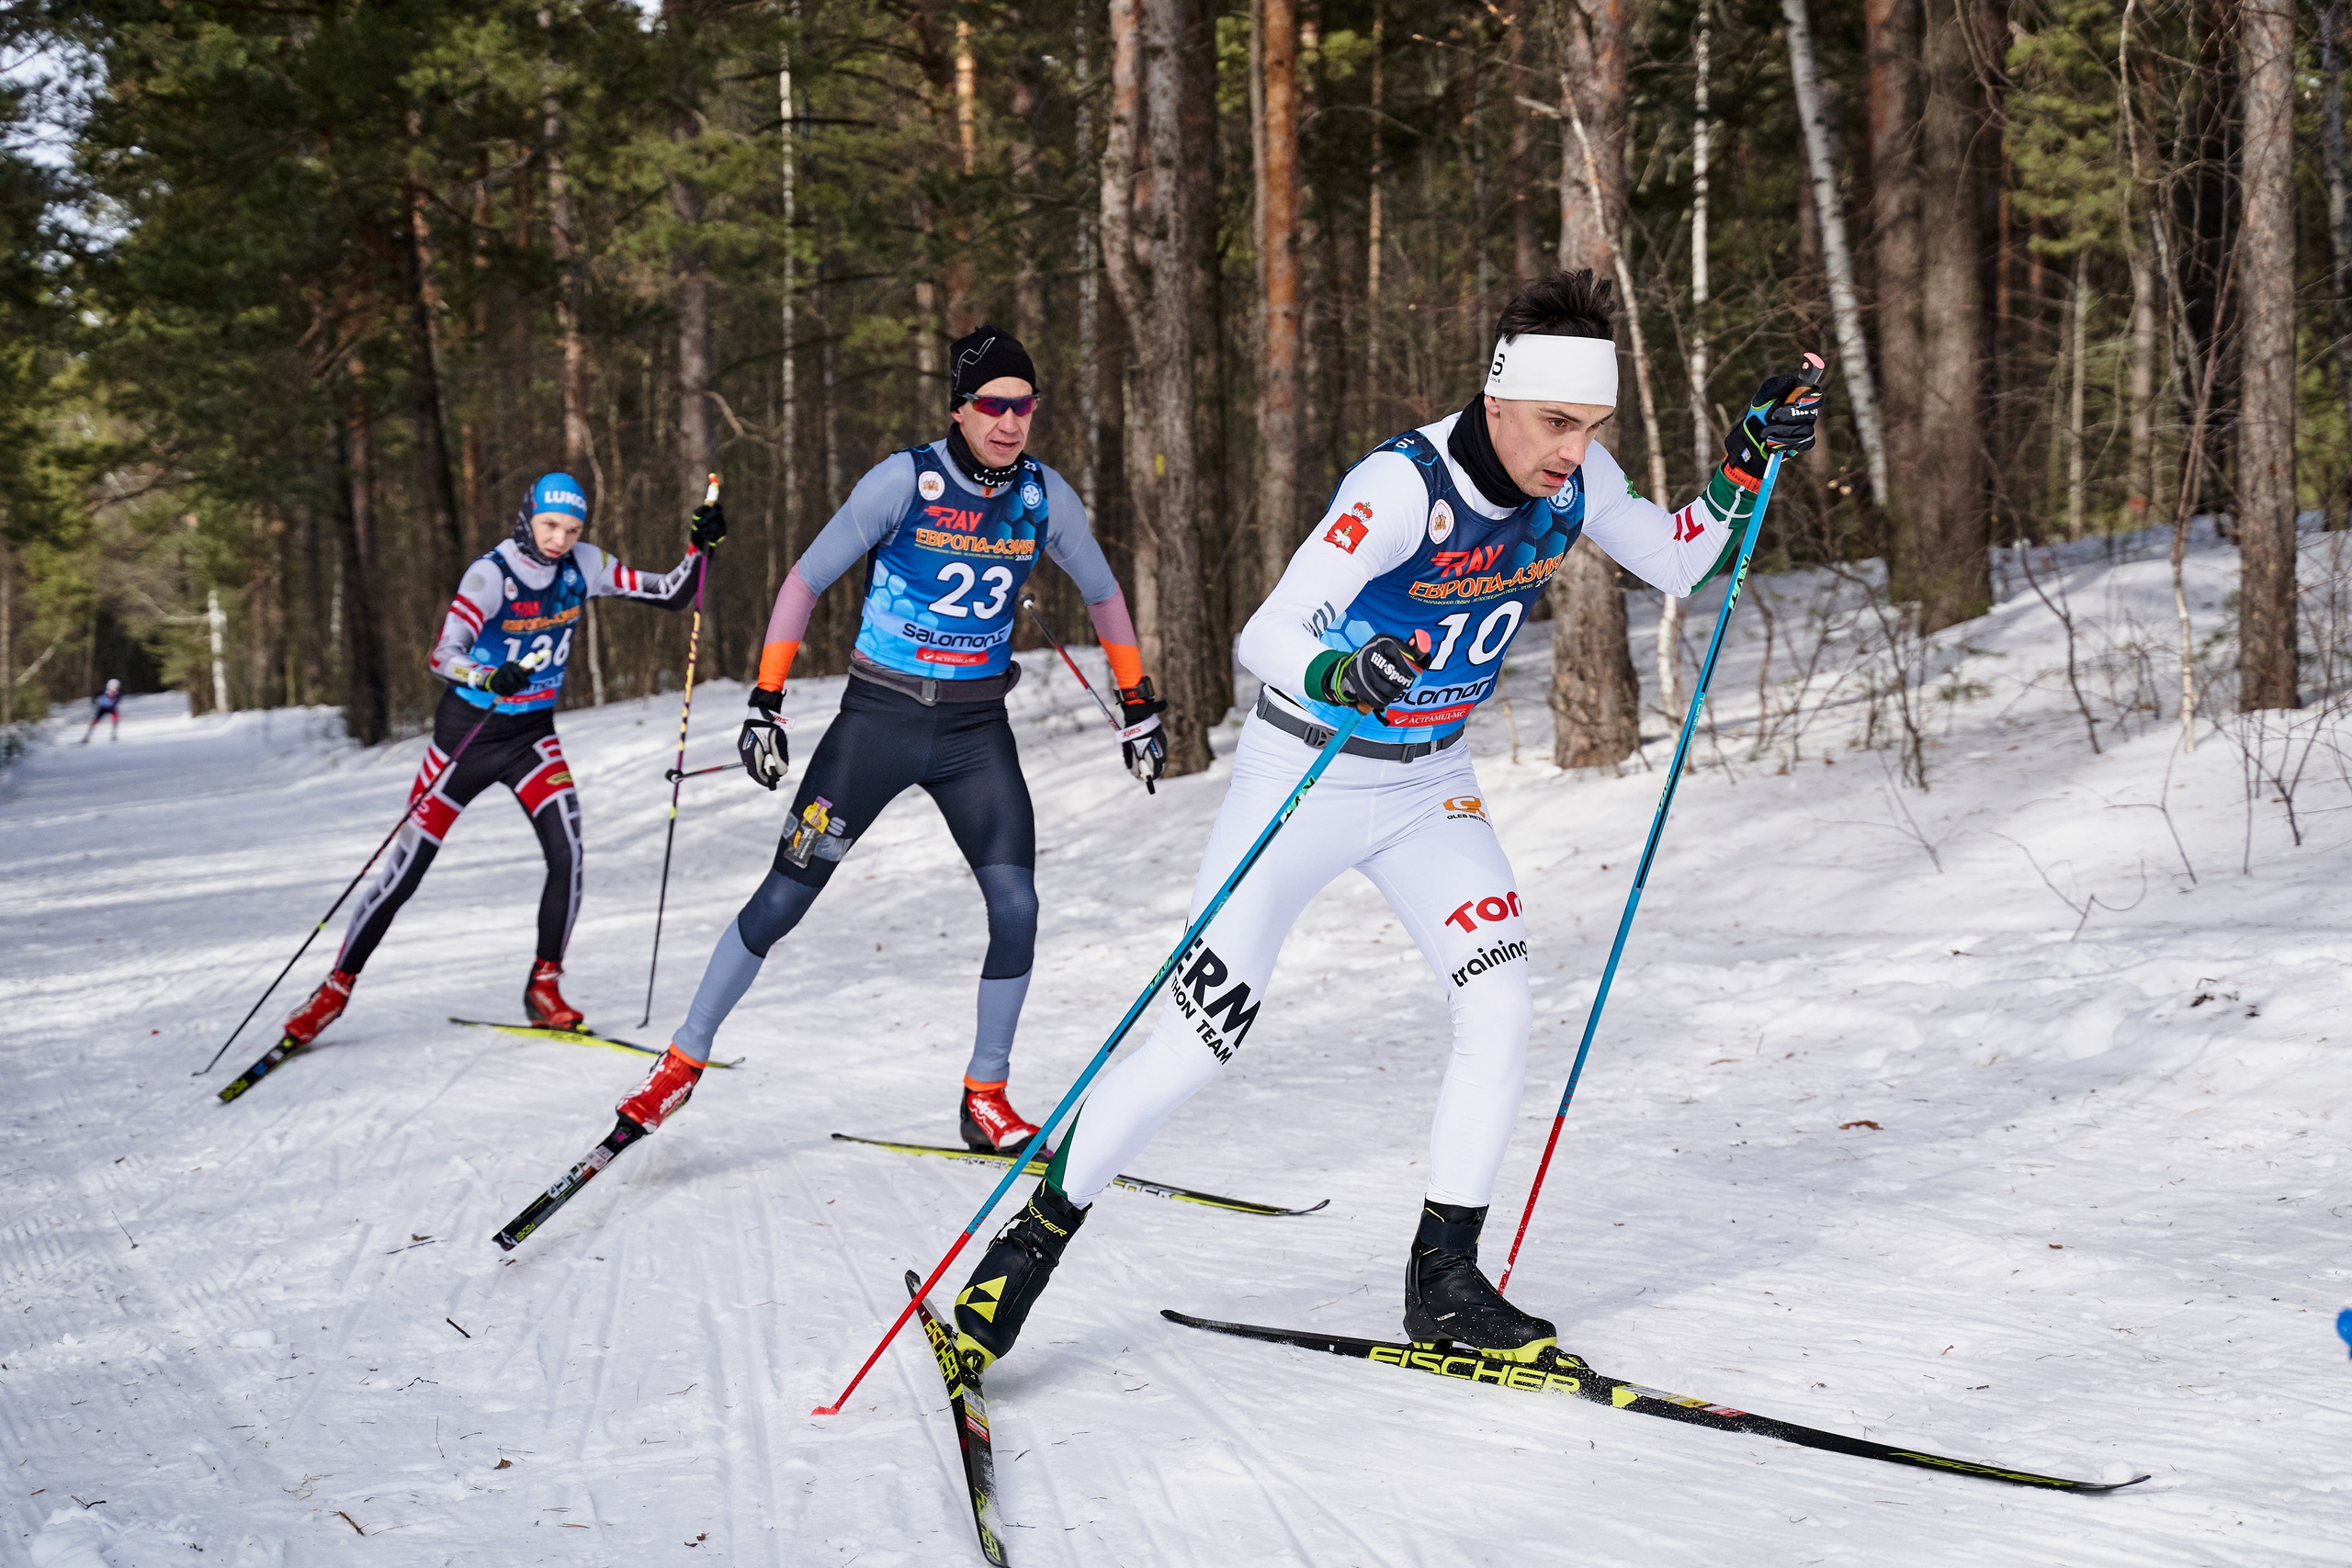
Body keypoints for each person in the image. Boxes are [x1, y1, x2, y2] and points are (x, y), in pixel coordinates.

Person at [949, 270, 1825, 1373]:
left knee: (1501, 1004)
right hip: (1304, 772)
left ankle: (1445, 1284)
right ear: (1497, 398)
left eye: (1593, 428)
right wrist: (1341, 664)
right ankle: (1014, 1266)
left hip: (1428, 787)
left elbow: (1685, 560)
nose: (1573, 450)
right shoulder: (1402, 486)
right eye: (1557, 424)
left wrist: (1747, 462)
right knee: (1195, 1041)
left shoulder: (1577, 477)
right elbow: (1270, 634)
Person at [604, 324, 1164, 1156]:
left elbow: (1105, 595)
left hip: (976, 732)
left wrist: (1138, 702)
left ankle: (986, 1096)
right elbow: (804, 581)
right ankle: (680, 1061)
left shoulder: (1045, 496)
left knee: (1017, 908)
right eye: (993, 405)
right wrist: (765, 701)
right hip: (879, 722)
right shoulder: (904, 480)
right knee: (784, 898)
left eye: (1025, 407)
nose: (1010, 422)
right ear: (960, 408)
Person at [276, 473, 724, 1047]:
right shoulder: (492, 574)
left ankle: (545, 986)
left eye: (572, 529)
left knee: (568, 852)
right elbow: (442, 654)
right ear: (527, 518)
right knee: (406, 871)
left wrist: (698, 547)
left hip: (531, 738)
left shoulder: (584, 565)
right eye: (550, 526)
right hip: (466, 737)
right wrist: (487, 675)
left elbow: (670, 593)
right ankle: (334, 990)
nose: (560, 539)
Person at [84, 678, 123, 742]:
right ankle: (87, 737)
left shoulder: (117, 693)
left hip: (111, 708)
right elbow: (95, 694)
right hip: (103, 708)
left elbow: (118, 699)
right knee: (95, 721)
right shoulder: (104, 690)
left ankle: (114, 735)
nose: (117, 687)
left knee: (115, 719)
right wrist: (94, 702)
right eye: (116, 686)